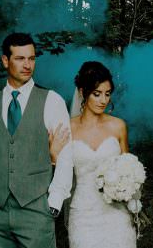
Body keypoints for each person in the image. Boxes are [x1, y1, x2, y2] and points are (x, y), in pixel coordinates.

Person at [0, 33, 73, 248]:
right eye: (20, 58)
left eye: (32, 58)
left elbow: (65, 156)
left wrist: (54, 202)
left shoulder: (52, 101)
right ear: (5, 60)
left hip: (36, 209)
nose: (27, 65)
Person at [52, 61, 136, 248]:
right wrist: (53, 155)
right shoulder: (68, 128)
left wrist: (128, 187)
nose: (103, 100)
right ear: (82, 92)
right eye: (96, 94)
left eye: (107, 94)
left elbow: (128, 168)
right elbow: (59, 170)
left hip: (116, 213)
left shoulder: (118, 126)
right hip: (83, 213)